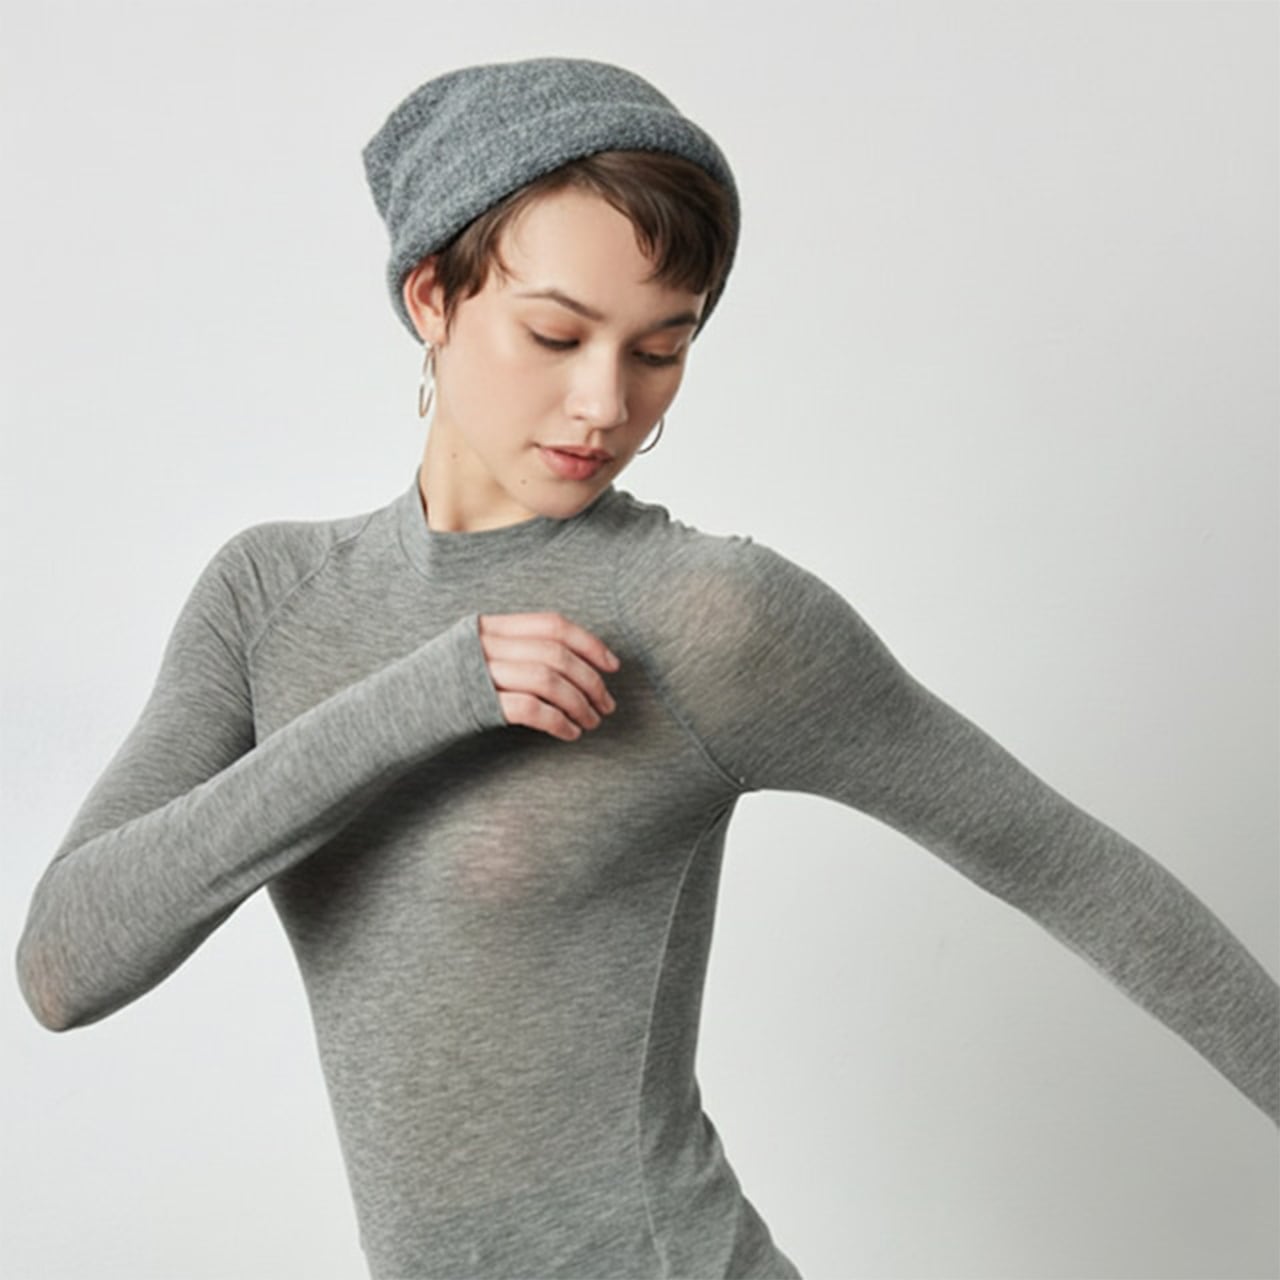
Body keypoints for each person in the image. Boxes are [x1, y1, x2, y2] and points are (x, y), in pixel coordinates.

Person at [14, 55, 1278, 1280]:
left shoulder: (706, 616)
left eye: (658, 349)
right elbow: (65, 966)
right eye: (555, 333)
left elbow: (1063, 863)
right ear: (431, 297)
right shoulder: (270, 598)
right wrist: (421, 698)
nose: (602, 404)